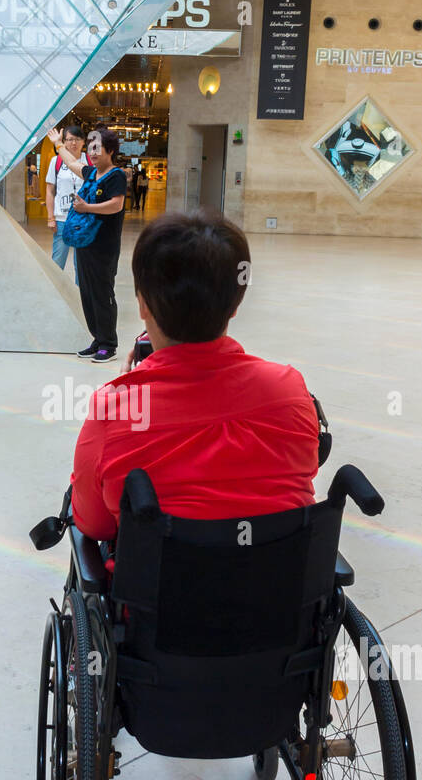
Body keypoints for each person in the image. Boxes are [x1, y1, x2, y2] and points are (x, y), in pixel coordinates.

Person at [70, 212, 320, 541]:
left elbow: (94, 524)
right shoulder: (290, 391)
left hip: (157, 589)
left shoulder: (113, 412)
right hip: (282, 586)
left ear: (143, 305)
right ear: (235, 304)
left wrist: (127, 392)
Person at [48, 125, 126, 363]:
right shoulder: (93, 174)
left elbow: (116, 205)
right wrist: (59, 144)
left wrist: (87, 208)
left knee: (102, 293)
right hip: (84, 243)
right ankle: (97, 339)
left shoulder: (116, 175)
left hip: (104, 246)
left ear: (110, 151)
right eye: (90, 148)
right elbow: (73, 164)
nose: (92, 153)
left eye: (97, 149)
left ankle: (109, 344)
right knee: (88, 293)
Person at [45, 123, 86, 274]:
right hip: (62, 219)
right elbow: (50, 191)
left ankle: (80, 295)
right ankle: (53, 294)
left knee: (81, 264)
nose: (73, 143)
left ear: (83, 141)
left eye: (77, 139)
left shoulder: (89, 161)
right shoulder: (56, 161)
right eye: (69, 139)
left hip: (84, 219)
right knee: (57, 262)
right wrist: (51, 218)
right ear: (64, 142)